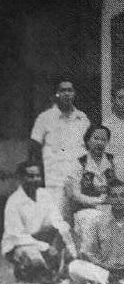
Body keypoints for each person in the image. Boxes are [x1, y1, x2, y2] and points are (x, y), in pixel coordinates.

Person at [2, 161, 76, 284]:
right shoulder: (14, 202)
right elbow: (17, 236)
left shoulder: (45, 195)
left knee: (65, 239)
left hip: (41, 238)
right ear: (21, 178)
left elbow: (57, 220)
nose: (35, 179)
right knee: (35, 261)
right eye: (30, 176)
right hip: (20, 244)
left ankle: (48, 269)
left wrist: (64, 239)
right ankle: (24, 268)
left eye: (38, 176)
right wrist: (45, 247)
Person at [30, 79, 91, 217]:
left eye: (70, 90)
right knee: (55, 217)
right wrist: (38, 177)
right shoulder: (45, 118)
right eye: (63, 90)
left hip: (77, 178)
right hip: (54, 178)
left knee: (79, 217)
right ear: (56, 94)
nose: (66, 94)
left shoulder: (82, 118)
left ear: (74, 94)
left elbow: (88, 148)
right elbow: (34, 148)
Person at [64, 125, 118, 251]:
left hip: (110, 207)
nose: (100, 143)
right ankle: (89, 257)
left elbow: (120, 185)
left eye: (103, 139)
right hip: (86, 210)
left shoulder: (112, 161)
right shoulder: (79, 163)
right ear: (88, 141)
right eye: (96, 138)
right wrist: (98, 201)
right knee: (94, 220)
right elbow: (75, 194)